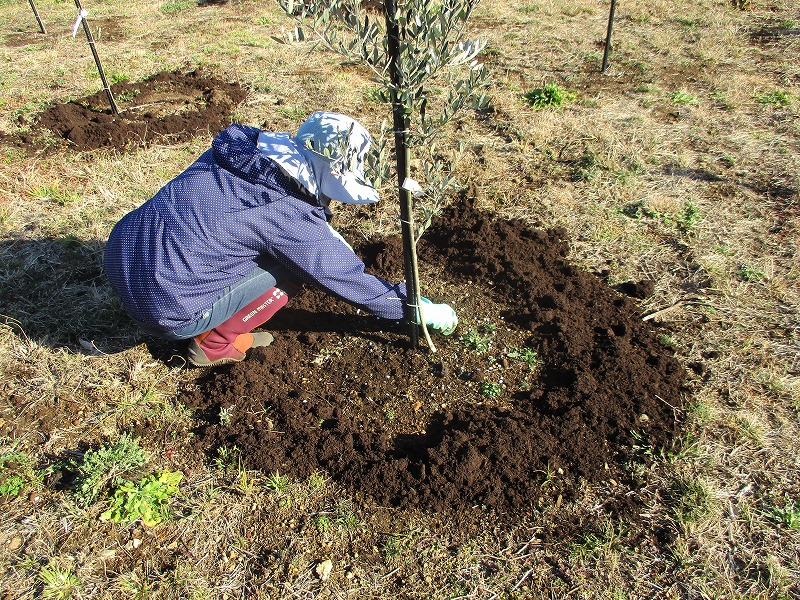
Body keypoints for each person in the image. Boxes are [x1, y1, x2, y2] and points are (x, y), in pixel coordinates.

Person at [103, 111, 458, 367]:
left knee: (255, 245)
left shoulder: (242, 154)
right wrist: (413, 308)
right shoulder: (284, 211)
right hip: (168, 307)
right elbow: (343, 278)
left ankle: (210, 315)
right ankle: (213, 341)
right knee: (294, 269)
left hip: (124, 258)